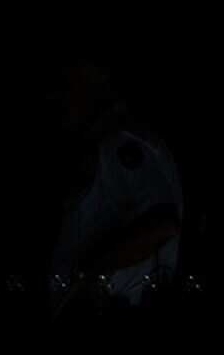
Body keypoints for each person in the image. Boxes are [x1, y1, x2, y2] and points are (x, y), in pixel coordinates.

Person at [46, 62, 184, 321]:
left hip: (110, 311)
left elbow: (162, 225)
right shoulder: (112, 144)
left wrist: (87, 274)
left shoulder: (122, 145)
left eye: (65, 88)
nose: (56, 99)